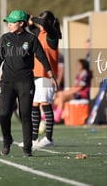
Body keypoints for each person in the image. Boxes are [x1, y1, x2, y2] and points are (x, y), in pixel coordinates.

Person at [0, 10, 57, 157]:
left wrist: (50, 74)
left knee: (25, 114)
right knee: (3, 114)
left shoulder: (31, 39)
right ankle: (7, 140)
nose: (9, 25)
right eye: (8, 22)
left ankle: (27, 147)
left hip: (25, 81)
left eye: (12, 22)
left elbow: (42, 56)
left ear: (21, 23)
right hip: (7, 81)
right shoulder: (5, 38)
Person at [27, 10, 62, 149]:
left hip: (47, 76)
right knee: (34, 105)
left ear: (51, 22)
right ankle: (34, 139)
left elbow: (43, 24)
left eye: (44, 21)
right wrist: (29, 20)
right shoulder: (40, 34)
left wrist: (35, 19)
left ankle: (48, 138)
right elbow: (33, 28)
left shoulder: (52, 35)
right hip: (36, 75)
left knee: (45, 104)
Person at [53, 59, 92, 124]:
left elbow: (79, 88)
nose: (77, 66)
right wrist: (64, 93)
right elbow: (74, 88)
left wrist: (64, 93)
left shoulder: (85, 74)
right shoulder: (79, 74)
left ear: (83, 65)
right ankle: (53, 116)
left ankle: (56, 118)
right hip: (77, 93)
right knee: (58, 97)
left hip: (82, 95)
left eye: (79, 64)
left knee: (62, 97)